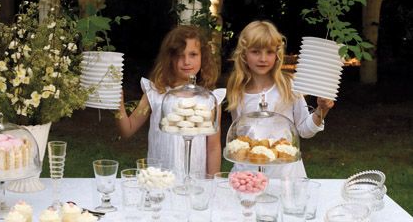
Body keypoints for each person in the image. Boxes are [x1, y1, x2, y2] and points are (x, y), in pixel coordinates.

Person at [226, 20, 334, 177]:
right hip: (248, 173)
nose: (263, 58)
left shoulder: (288, 85)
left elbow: (305, 130)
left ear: (277, 55)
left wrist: (322, 109)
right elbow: (239, 136)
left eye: (269, 52)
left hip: (286, 174)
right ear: (243, 54)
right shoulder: (237, 90)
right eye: (256, 52)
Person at [116, 25, 226, 176]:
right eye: (179, 55)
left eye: (193, 54)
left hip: (195, 182)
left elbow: (213, 147)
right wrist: (117, 103)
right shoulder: (155, 94)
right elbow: (127, 130)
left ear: (203, 57)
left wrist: (212, 181)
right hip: (160, 179)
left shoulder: (209, 100)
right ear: (169, 58)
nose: (186, 61)